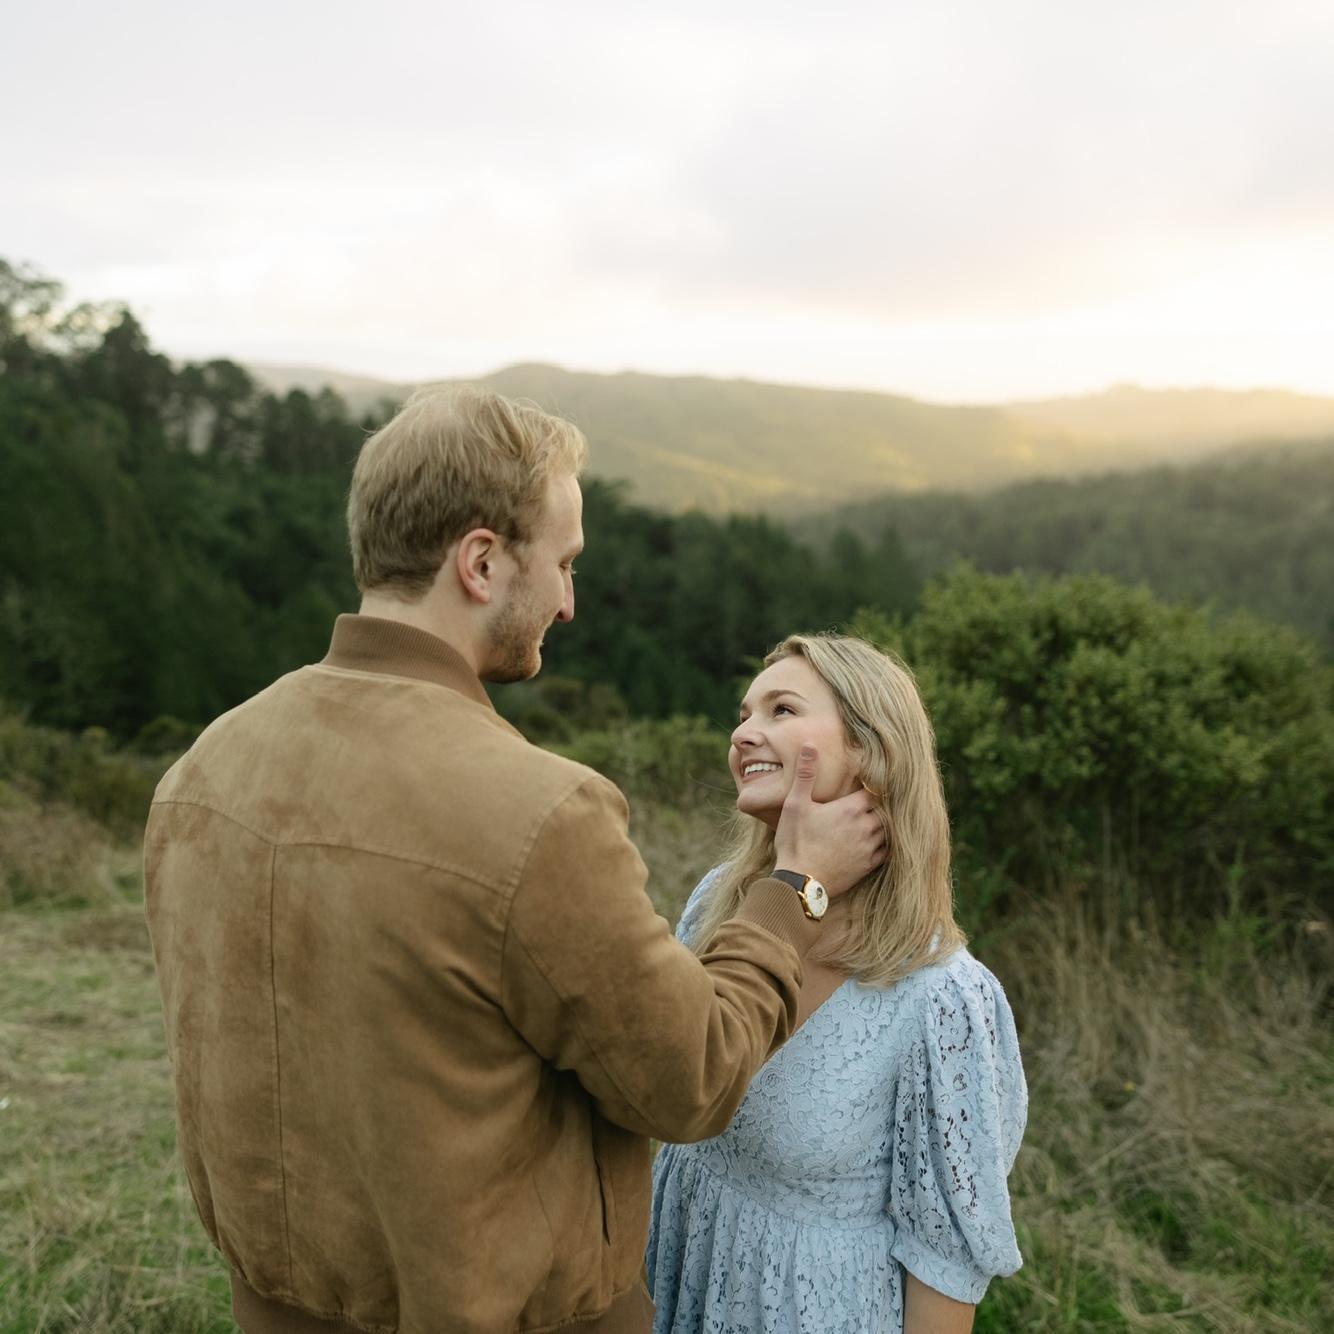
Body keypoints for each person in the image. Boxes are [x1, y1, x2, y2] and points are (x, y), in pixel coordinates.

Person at [143, 387, 885, 1334]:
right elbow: (690, 1077)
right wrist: (796, 888)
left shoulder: (200, 771)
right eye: (564, 563)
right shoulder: (542, 815)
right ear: (483, 561)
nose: (569, 602)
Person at [646, 633, 1027, 1333]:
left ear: (871, 751)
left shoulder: (940, 996)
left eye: (782, 710)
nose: (742, 733)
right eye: (744, 713)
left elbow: (944, 1264)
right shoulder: (724, 902)